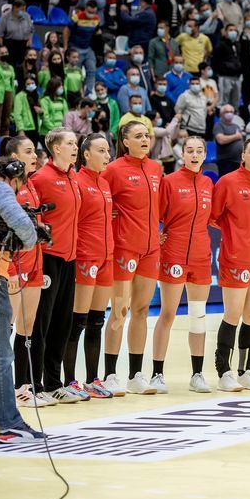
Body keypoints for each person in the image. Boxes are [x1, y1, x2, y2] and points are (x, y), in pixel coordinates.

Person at [102, 121, 163, 396]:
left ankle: (136, 375)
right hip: (123, 250)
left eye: (146, 135)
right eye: (138, 136)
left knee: (141, 311)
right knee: (119, 311)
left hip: (150, 250)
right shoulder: (113, 169)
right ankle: (109, 375)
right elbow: (100, 202)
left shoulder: (155, 168)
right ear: (125, 141)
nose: (144, 139)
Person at [210, 138, 250, 391]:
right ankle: (224, 372)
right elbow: (213, 217)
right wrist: (235, 236)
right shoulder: (227, 182)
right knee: (233, 315)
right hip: (236, 258)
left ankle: (246, 371)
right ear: (243, 156)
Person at [151, 137, 214, 393]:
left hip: (201, 255)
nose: (195, 155)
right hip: (174, 253)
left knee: (198, 316)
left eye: (200, 151)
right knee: (167, 314)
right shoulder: (170, 182)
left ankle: (197, 374)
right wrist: (157, 235)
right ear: (182, 154)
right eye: (190, 151)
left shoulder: (209, 183)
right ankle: (156, 374)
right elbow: (154, 214)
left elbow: (217, 217)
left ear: (205, 154)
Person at [31, 129, 83, 403]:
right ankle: (33, 385)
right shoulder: (41, 178)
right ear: (55, 148)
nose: (75, 147)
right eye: (70, 143)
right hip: (48, 258)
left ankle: (53, 382)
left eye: (76, 143)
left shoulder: (74, 176)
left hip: (70, 258)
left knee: (63, 322)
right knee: (42, 321)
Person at [0, 155, 47, 441]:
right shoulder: (2, 187)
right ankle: (9, 423)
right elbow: (25, 230)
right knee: (2, 357)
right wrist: (29, 237)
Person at [64, 134, 115, 399]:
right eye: (101, 150)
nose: (107, 155)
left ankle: (93, 379)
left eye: (108, 151)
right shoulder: (78, 182)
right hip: (85, 258)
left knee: (97, 321)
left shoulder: (105, 183)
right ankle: (70, 380)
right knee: (77, 322)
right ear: (86, 154)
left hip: (107, 258)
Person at [63, 0, 100, 96]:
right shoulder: (77, 17)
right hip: (75, 48)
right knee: (77, 73)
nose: (91, 14)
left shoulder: (96, 19)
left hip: (88, 49)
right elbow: (66, 31)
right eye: (89, 12)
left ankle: (89, 92)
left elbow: (96, 33)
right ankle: (78, 93)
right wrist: (66, 47)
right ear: (86, 9)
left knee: (92, 70)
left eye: (93, 12)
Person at [0, 0, 34, 70]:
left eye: (24, 9)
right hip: (10, 44)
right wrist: (1, 47)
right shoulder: (5, 17)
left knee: (23, 65)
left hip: (23, 43)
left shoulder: (27, 16)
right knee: (11, 65)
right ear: (15, 8)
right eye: (22, 9)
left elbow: (31, 30)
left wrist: (30, 40)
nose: (23, 12)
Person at [213, 25, 243, 108]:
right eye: (230, 30)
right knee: (224, 100)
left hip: (237, 76)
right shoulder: (221, 45)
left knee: (236, 100)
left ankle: (235, 117)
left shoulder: (238, 45)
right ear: (225, 32)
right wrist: (220, 71)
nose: (233, 32)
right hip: (225, 76)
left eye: (234, 30)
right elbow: (215, 60)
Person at [214, 104, 246, 177]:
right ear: (221, 114)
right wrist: (236, 136)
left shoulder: (236, 126)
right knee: (225, 184)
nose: (230, 113)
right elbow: (221, 140)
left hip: (238, 161)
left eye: (231, 111)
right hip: (225, 161)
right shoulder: (219, 125)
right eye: (227, 111)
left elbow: (242, 142)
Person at [11, 77, 41, 147]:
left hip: (36, 128)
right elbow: (17, 114)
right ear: (24, 85)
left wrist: (41, 112)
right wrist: (21, 130)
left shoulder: (37, 95)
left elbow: (40, 113)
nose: (31, 85)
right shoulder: (19, 96)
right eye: (28, 84)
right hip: (26, 129)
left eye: (32, 83)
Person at [0, 46, 15, 137]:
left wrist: (13, 97)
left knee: (6, 121)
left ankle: (5, 141)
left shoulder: (10, 67)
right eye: (2, 53)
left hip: (9, 92)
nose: (4, 54)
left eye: (6, 52)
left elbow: (12, 83)